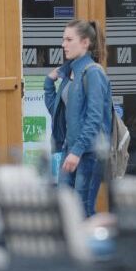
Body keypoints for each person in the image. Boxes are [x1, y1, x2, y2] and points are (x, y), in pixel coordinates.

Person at [44, 19, 113, 217]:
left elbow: (95, 118)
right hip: (71, 150)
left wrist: (77, 151)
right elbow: (57, 112)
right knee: (65, 209)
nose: (63, 44)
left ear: (85, 43)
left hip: (89, 153)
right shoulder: (70, 74)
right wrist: (48, 83)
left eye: (69, 40)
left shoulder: (93, 73)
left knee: (83, 212)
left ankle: (95, 238)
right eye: (63, 39)